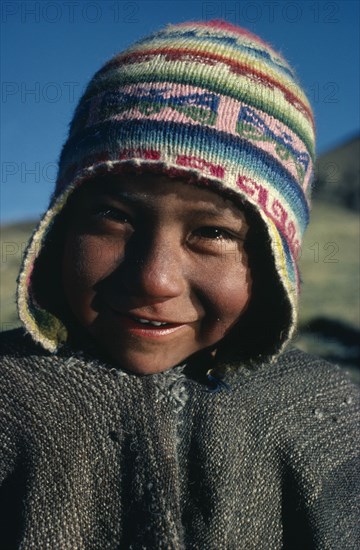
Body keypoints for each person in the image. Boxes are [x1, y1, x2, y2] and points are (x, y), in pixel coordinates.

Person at [0, 19, 359, 549]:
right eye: (112, 215)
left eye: (213, 232)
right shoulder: (10, 395)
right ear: (60, 227)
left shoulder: (321, 412)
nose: (154, 278)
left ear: (273, 260)